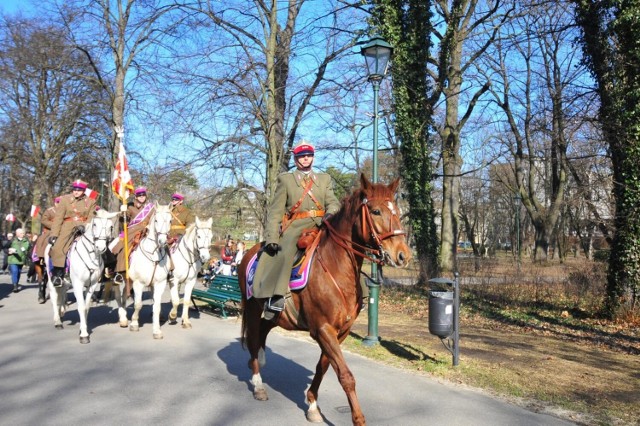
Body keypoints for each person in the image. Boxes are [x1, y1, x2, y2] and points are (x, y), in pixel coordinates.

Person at [252, 141, 340, 319]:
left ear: (313, 157)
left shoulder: (324, 179)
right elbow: (276, 211)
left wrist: (330, 214)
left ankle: (360, 291)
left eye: (309, 155)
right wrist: (272, 239)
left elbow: (333, 202)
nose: (306, 158)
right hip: (296, 226)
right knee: (285, 252)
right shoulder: (286, 179)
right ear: (295, 158)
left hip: (322, 223)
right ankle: (276, 296)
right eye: (301, 156)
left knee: (342, 247)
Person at [48, 180, 97, 287]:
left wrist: (84, 226)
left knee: (99, 246)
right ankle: (58, 274)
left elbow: (91, 217)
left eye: (79, 190)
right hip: (67, 227)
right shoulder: (65, 199)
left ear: (84, 191)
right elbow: (58, 218)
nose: (76, 192)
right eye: (75, 189)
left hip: (84, 227)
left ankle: (103, 272)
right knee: (57, 248)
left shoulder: (91, 201)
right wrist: (54, 234)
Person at [110, 186, 155, 284]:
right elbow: (123, 221)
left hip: (147, 230)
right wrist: (123, 213)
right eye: (139, 195)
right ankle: (119, 273)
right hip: (132, 231)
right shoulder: (129, 206)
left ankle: (169, 271)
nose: (142, 197)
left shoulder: (151, 207)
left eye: (143, 195)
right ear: (136, 197)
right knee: (123, 248)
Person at [33, 197, 60, 277]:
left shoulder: (66, 211)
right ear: (55, 203)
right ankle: (41, 257)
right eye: (58, 202)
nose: (59, 204)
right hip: (50, 230)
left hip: (63, 230)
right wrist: (54, 226)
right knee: (43, 240)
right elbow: (44, 220)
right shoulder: (50, 211)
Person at [7, 228, 30, 292]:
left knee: (18, 272)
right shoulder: (12, 240)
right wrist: (9, 251)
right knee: (15, 271)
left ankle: (16, 283)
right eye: (21, 233)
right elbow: (6, 247)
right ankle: (15, 286)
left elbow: (27, 249)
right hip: (13, 259)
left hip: (21, 259)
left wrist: (25, 250)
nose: (23, 234)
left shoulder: (26, 241)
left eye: (23, 233)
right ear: (17, 234)